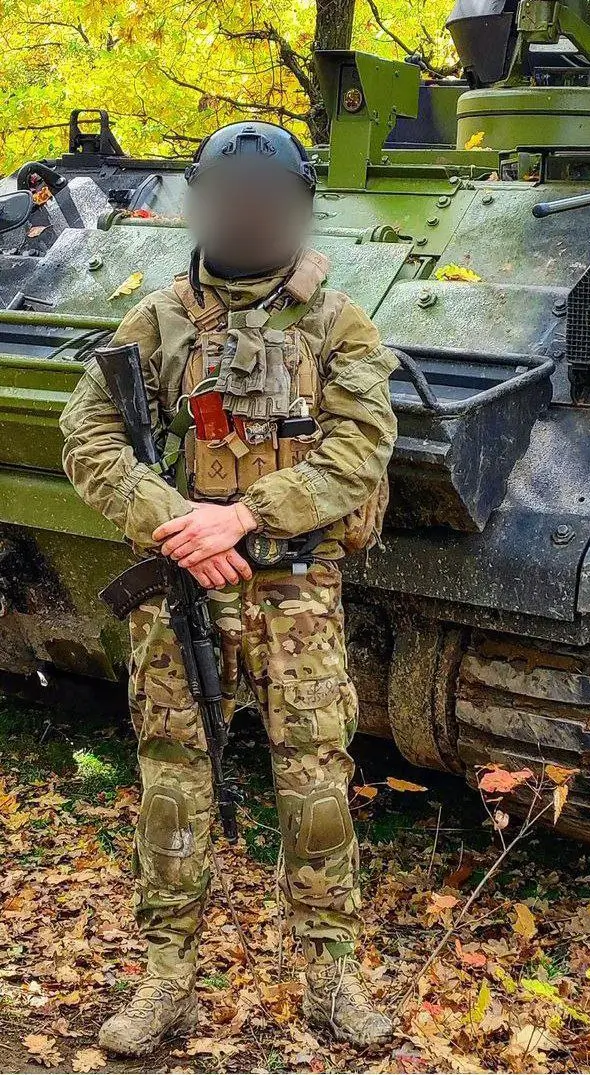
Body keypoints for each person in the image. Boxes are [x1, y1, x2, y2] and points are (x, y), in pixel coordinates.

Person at [59, 121, 398, 1057]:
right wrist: (174, 517)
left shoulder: (337, 324)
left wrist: (241, 517)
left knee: (315, 787)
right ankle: (166, 979)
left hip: (294, 590)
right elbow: (87, 438)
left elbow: (362, 447)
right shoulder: (157, 320)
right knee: (173, 784)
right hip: (182, 592)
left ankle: (330, 977)